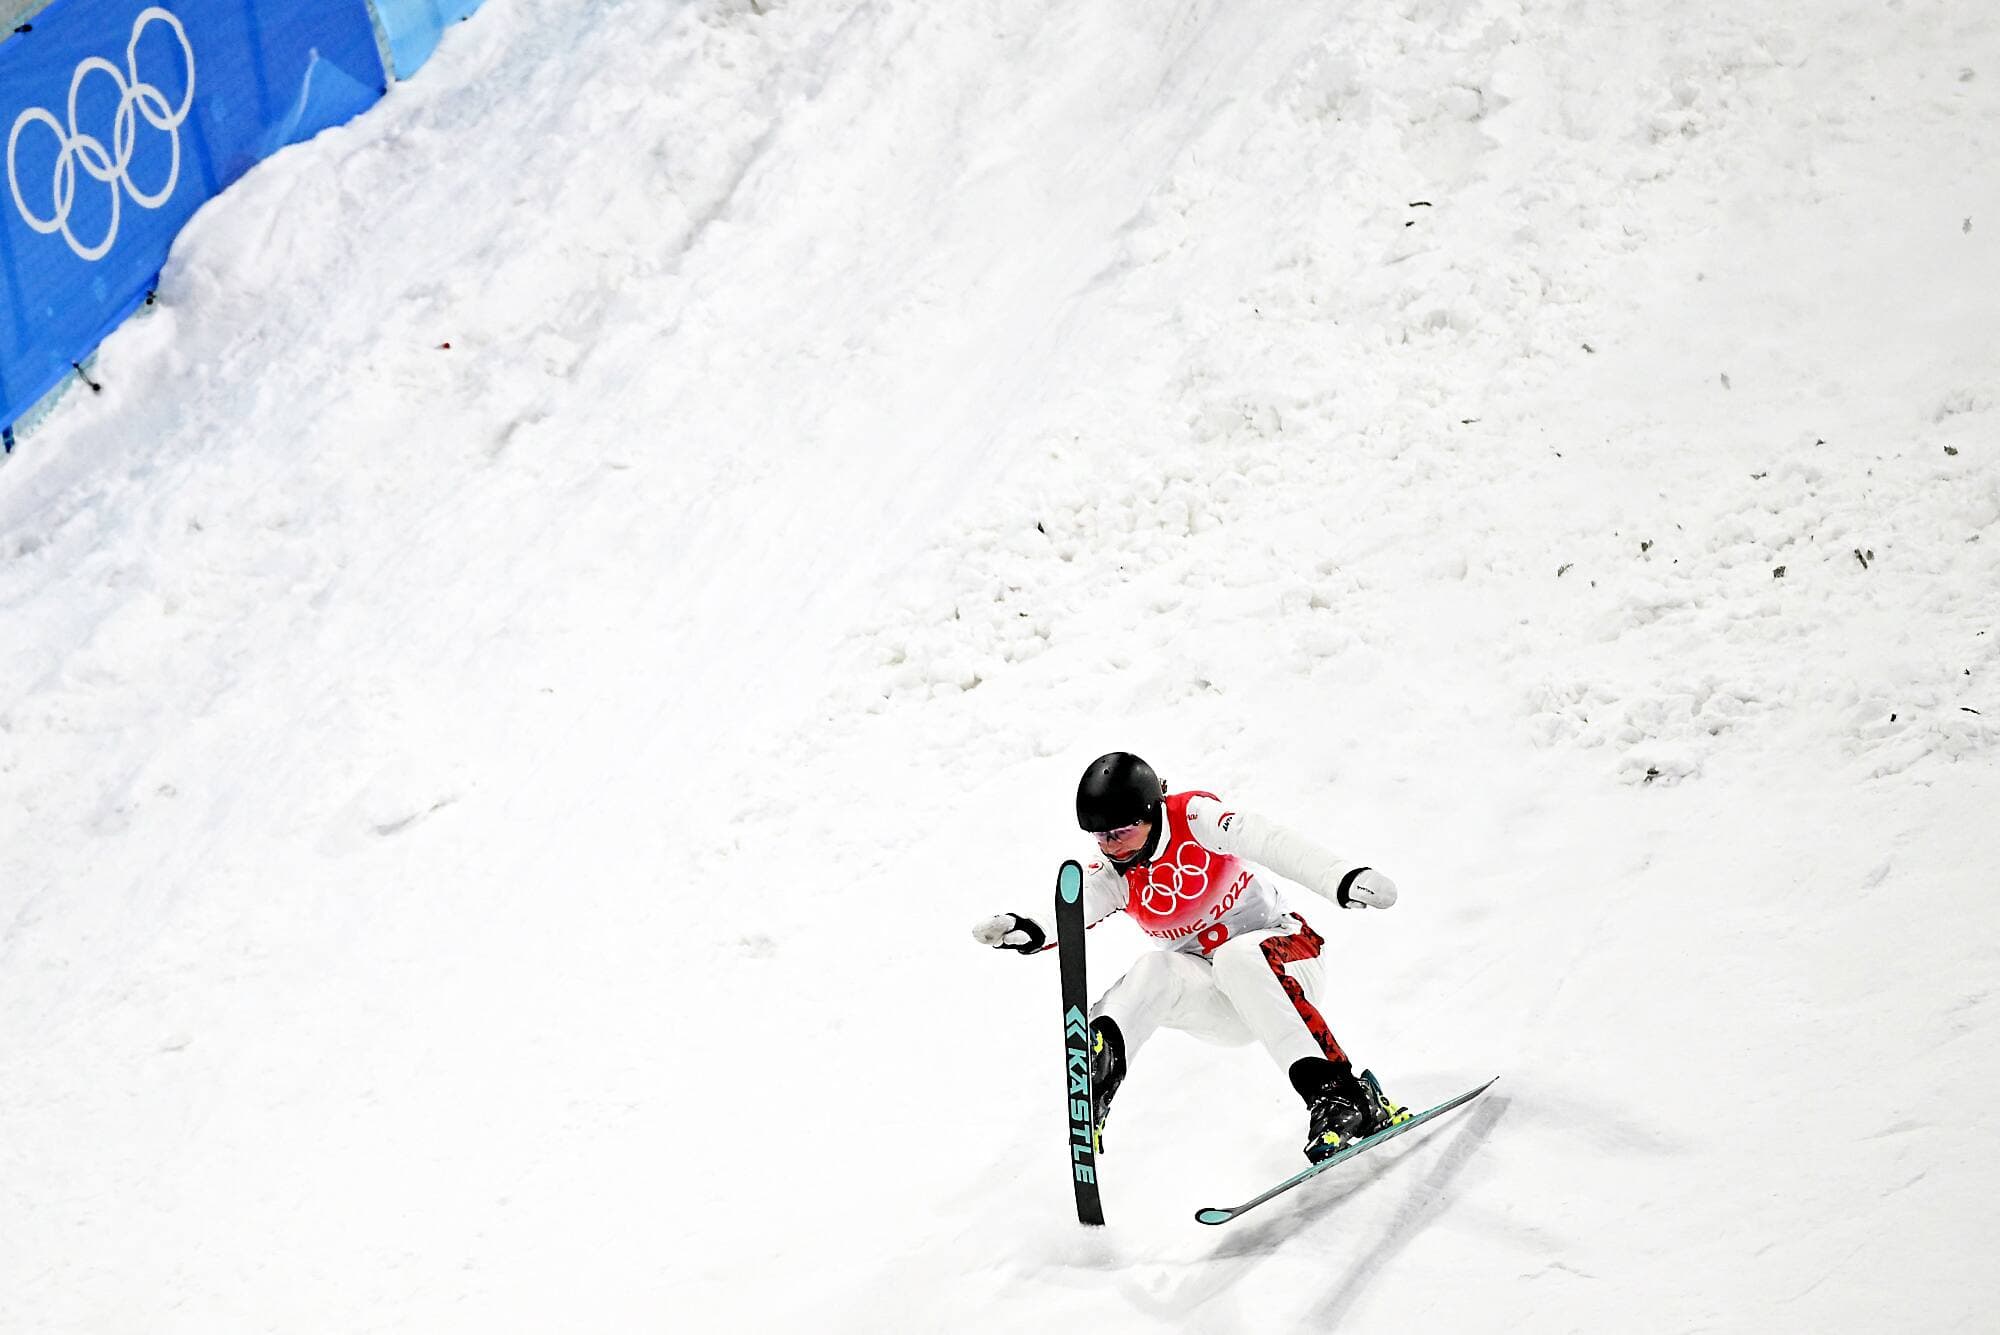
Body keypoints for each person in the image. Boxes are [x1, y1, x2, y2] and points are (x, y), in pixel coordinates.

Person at [973, 751, 1409, 1163]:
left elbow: (1270, 840)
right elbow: (1070, 912)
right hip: (1223, 1004)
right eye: (1100, 837)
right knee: (1154, 968)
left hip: (1288, 958)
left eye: (1119, 834)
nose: (1110, 847)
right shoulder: (1113, 873)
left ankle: (1345, 1096)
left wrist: (1341, 877)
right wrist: (1026, 928)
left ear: (1149, 814)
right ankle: (1100, 1070)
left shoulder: (1195, 818)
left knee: (1239, 957)